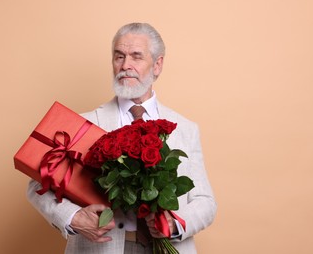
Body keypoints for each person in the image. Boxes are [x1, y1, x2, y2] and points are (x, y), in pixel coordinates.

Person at [27, 22, 217, 254]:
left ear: (157, 65)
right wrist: (72, 217)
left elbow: (205, 201)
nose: (125, 65)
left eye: (136, 56)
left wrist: (175, 223)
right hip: (100, 247)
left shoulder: (186, 129)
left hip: (167, 247)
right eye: (119, 57)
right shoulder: (81, 124)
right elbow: (38, 182)